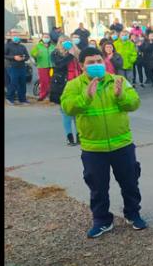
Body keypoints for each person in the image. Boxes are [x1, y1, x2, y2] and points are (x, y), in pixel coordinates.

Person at [60, 47, 146, 238]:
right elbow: (67, 108)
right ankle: (102, 220)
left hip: (122, 144)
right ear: (82, 65)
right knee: (98, 187)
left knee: (130, 182)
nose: (96, 65)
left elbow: (134, 103)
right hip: (93, 147)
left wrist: (120, 96)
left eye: (99, 61)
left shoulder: (118, 80)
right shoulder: (74, 86)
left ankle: (133, 214)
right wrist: (86, 97)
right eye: (91, 62)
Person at [50, 36, 82, 145]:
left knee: (77, 112)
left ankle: (79, 135)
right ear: (59, 43)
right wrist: (70, 55)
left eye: (67, 41)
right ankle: (69, 136)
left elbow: (83, 66)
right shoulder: (55, 53)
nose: (65, 43)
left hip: (77, 84)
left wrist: (74, 54)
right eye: (62, 42)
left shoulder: (77, 53)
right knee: (66, 113)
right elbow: (59, 65)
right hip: (62, 85)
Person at [5, 36, 30, 105]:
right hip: (11, 66)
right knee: (14, 82)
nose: (16, 38)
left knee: (22, 83)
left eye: (18, 37)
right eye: (14, 36)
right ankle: (9, 98)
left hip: (22, 66)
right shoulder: (8, 45)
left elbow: (27, 56)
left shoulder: (22, 46)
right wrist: (13, 57)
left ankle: (22, 99)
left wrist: (23, 59)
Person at [31, 33, 56, 101]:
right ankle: (42, 95)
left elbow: (56, 54)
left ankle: (51, 95)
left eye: (47, 37)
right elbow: (32, 54)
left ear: (50, 38)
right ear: (42, 38)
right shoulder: (38, 46)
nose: (46, 38)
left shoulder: (52, 46)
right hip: (42, 66)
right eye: (45, 37)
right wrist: (36, 54)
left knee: (52, 81)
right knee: (44, 81)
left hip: (52, 67)